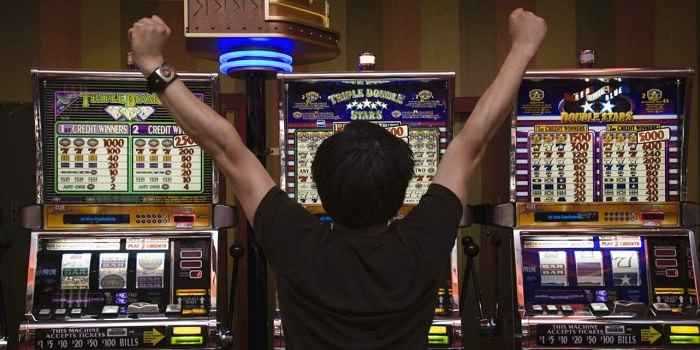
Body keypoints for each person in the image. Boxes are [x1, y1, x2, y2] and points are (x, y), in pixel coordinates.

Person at [129, 8, 546, 349]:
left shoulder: (299, 241)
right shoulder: (423, 240)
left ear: (321, 190)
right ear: (404, 188)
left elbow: (224, 146)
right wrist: (523, 48)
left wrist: (154, 66)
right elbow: (474, 139)